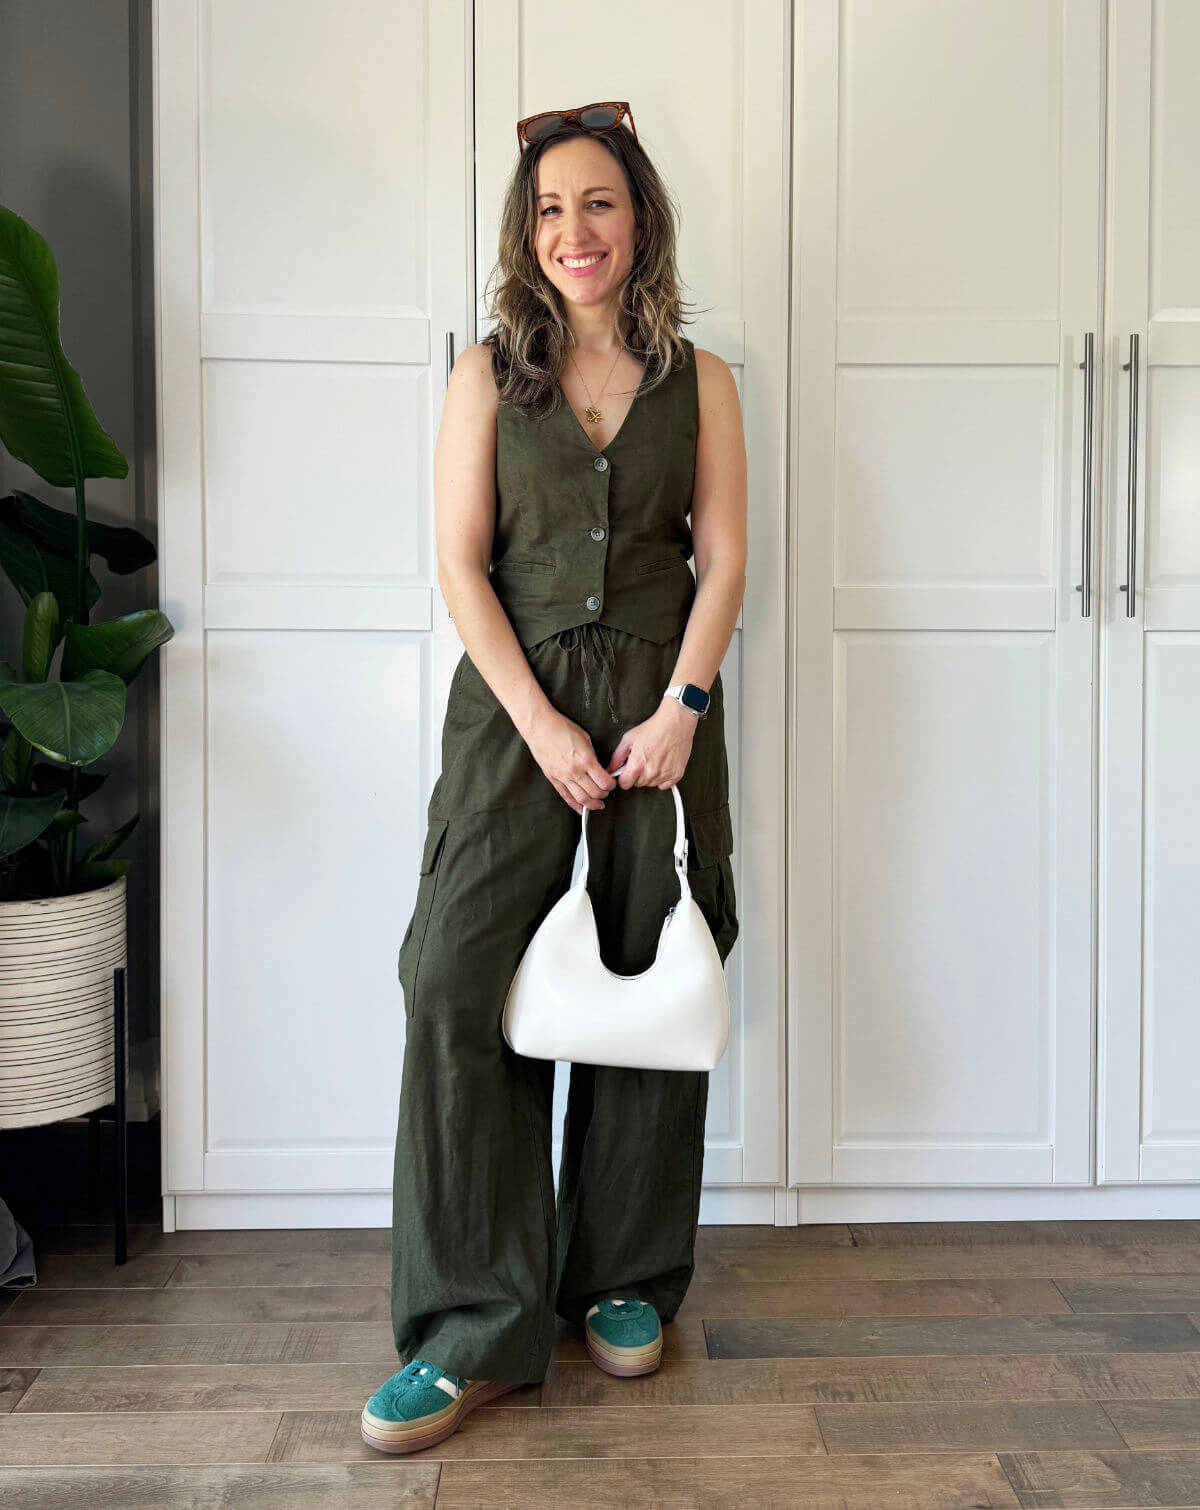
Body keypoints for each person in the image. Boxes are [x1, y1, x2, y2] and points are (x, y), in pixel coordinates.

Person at [361, 101, 747, 1456]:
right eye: (546, 211)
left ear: (639, 219)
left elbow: (725, 555)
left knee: (646, 978)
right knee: (454, 978)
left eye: (597, 203)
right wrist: (537, 723)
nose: (573, 231)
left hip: (660, 710)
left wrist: (683, 708)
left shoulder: (703, 380)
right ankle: (472, 1322)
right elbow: (462, 567)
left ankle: (625, 1274)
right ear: (525, 239)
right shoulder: (486, 376)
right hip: (513, 715)